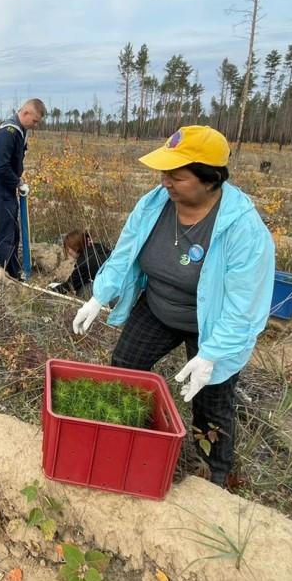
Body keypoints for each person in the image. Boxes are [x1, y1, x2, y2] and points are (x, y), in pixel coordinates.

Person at [71, 125, 274, 486]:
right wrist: (98, 296)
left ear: (210, 180)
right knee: (125, 366)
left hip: (212, 323)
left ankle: (216, 476)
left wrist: (212, 354)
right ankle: (128, 435)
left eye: (177, 176)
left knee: (212, 398)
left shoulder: (243, 229)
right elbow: (125, 252)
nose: (165, 181)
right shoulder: (154, 205)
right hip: (159, 306)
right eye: (164, 172)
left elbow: (244, 305)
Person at [0, 98, 46, 280]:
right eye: (34, 121)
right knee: (4, 230)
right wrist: (17, 182)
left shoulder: (20, 131)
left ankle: (11, 271)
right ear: (26, 113)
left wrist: (16, 180)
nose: (35, 125)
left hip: (6, 186)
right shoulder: (9, 131)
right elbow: (0, 165)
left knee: (11, 228)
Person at [48, 230, 111, 297]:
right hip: (118, 279)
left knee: (82, 290)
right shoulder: (99, 247)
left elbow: (71, 285)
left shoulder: (83, 263)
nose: (68, 252)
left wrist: (52, 290)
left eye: (68, 249)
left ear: (74, 248)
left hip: (110, 290)